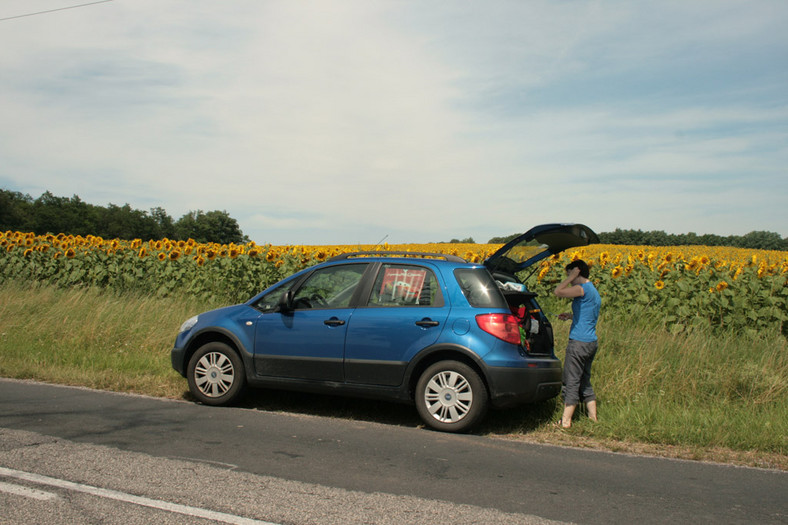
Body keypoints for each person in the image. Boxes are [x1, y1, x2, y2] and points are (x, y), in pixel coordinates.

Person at [554, 259, 601, 428]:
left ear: (577, 272)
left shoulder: (581, 289)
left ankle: (565, 422)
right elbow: (588, 315)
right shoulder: (593, 291)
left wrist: (571, 276)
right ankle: (593, 418)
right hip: (591, 342)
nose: (569, 279)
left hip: (578, 343)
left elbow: (558, 291)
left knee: (571, 380)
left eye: (570, 275)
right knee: (585, 381)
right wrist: (571, 316)